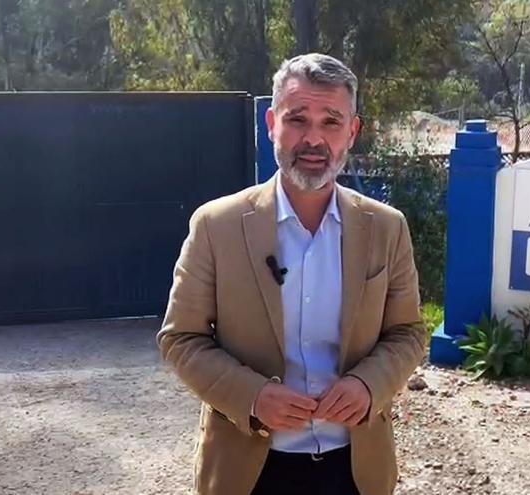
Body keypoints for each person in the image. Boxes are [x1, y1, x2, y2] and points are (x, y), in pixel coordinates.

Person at [157, 53, 426, 495]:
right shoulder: (216, 226)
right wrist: (253, 397)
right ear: (271, 123)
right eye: (298, 119)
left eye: (331, 122)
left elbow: (408, 333)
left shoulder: (386, 227)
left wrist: (368, 384)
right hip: (247, 469)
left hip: (355, 468)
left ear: (352, 133)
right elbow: (180, 338)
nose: (313, 139)